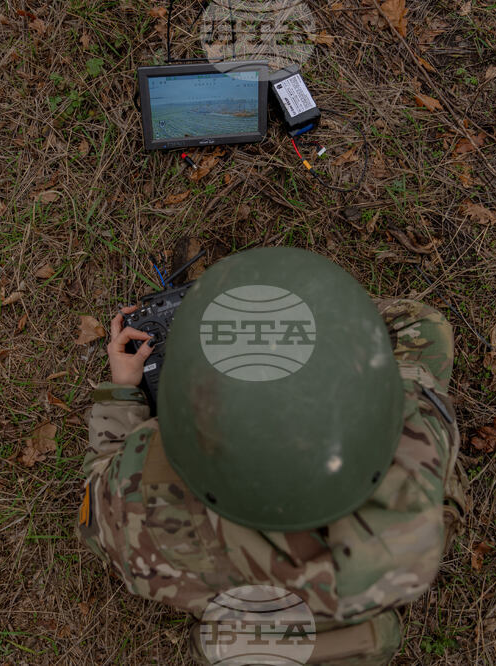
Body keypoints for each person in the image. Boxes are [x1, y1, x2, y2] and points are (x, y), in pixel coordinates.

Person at [77, 247, 468, 665]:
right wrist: (316, 316)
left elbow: (99, 486)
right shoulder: (415, 436)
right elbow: (419, 328)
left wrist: (122, 392)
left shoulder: (136, 505)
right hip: (361, 604)